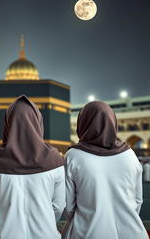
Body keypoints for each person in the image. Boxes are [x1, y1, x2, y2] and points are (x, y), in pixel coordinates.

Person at [0, 95, 66, 239]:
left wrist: (6, 215)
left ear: (8, 123)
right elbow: (58, 206)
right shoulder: (54, 159)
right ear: (38, 122)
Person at [62, 101, 148, 239]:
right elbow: (137, 200)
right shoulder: (129, 155)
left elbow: (68, 205)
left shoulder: (73, 156)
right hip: (132, 232)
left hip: (88, 232)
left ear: (83, 123)